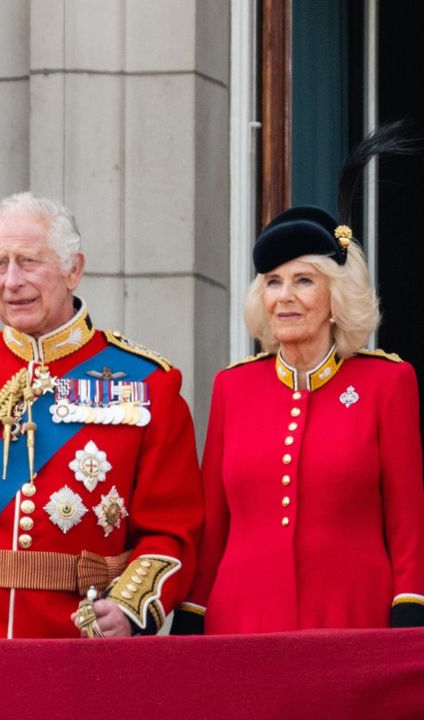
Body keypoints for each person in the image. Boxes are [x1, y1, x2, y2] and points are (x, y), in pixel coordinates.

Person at [0, 192, 202, 639]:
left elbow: (172, 530)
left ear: (73, 269)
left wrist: (128, 607)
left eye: (28, 262)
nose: (11, 281)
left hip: (75, 641)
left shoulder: (148, 382)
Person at [174, 202, 424, 633]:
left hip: (353, 618)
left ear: (335, 297)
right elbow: (213, 525)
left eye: (303, 281)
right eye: (273, 282)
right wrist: (192, 612)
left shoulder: (387, 382)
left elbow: (408, 523)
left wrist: (410, 609)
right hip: (242, 622)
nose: (285, 296)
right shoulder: (232, 388)